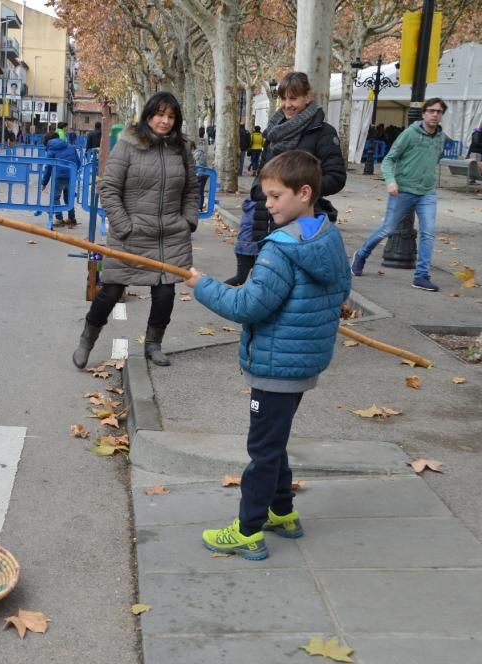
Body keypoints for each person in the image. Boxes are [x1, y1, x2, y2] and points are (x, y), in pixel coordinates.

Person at [186, 150, 351, 560]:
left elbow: (247, 307)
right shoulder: (325, 236)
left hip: (277, 365)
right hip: (301, 364)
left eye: (276, 196)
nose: (268, 204)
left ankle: (247, 531)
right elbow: (340, 291)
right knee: (274, 442)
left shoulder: (280, 250)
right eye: (266, 196)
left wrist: (203, 285)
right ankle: (282, 512)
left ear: (305, 192)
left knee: (262, 450)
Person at [72, 92, 198, 369]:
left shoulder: (181, 149)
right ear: (148, 115)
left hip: (169, 236)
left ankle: (154, 344)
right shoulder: (127, 146)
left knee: (165, 294)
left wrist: (189, 220)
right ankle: (87, 340)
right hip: (131, 234)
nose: (165, 121)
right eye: (159, 114)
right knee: (110, 291)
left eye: (171, 116)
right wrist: (124, 226)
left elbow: (191, 189)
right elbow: (108, 188)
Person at [227, 72, 346, 287]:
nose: (287, 105)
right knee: (266, 276)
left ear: (308, 97)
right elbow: (263, 169)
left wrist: (299, 193)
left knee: (295, 281)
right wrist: (258, 190)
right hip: (268, 212)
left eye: (293, 98)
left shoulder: (323, 133)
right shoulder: (273, 131)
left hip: (304, 219)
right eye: (283, 99)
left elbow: (336, 177)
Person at [350, 98, 448, 292]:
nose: (435, 114)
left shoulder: (440, 137)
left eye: (438, 111)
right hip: (402, 190)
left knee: (428, 233)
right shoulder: (409, 134)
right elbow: (388, 160)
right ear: (423, 113)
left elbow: (435, 159)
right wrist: (391, 181)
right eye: (431, 111)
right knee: (388, 228)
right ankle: (361, 254)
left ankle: (421, 276)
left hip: (427, 193)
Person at [41, 130, 80, 227]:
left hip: (59, 176)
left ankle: (59, 219)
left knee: (55, 197)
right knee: (69, 198)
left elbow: (48, 167)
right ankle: (72, 218)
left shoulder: (51, 149)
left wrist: (44, 182)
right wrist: (73, 173)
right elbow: (78, 163)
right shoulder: (71, 147)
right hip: (71, 175)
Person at [191, 141, 209, 212]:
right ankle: (198, 207)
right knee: (198, 191)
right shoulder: (195, 153)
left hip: (201, 175)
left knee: (199, 191)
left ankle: (199, 208)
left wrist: (196, 176)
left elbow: (200, 166)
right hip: (200, 174)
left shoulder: (198, 153)